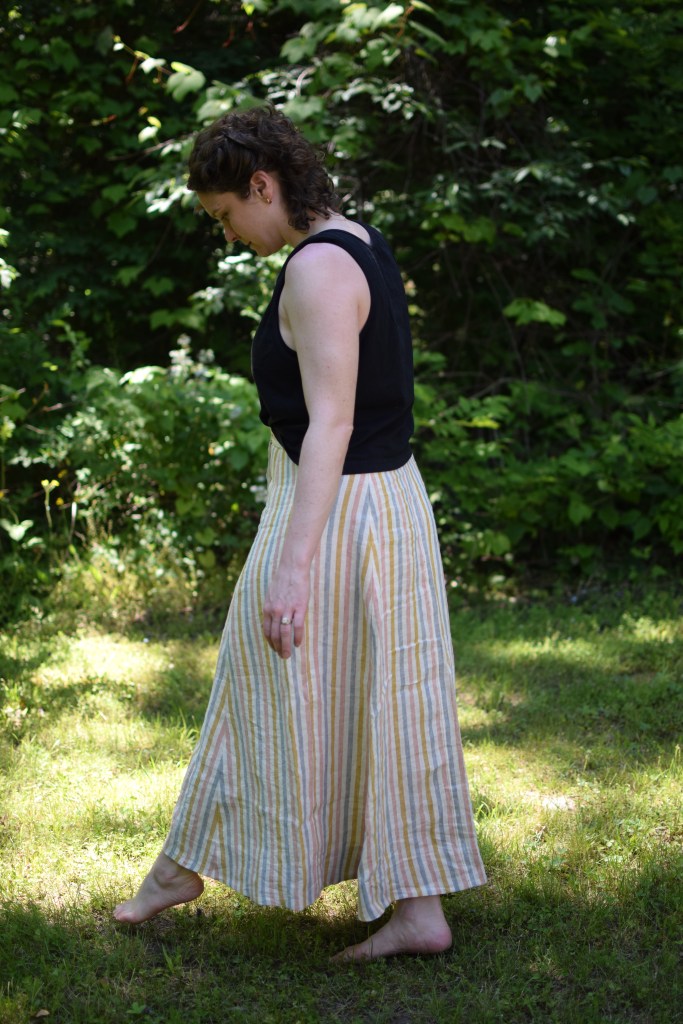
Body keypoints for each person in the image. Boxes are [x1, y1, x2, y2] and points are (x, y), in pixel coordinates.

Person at [114, 105, 486, 960]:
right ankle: (416, 908)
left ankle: (184, 867)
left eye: (224, 215)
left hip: (341, 507)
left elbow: (332, 423)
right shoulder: (359, 238)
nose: (227, 233)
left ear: (261, 184)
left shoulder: (317, 270)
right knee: (383, 701)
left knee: (262, 680)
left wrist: (293, 567)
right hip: (380, 502)